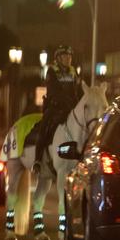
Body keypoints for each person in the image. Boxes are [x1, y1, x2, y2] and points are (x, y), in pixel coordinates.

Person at [32, 46, 82, 174]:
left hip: (71, 107)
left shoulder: (73, 71)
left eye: (70, 57)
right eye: (66, 56)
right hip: (55, 107)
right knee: (44, 127)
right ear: (59, 58)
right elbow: (54, 91)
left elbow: (78, 89)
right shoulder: (51, 71)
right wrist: (67, 101)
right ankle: (37, 160)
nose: (68, 59)